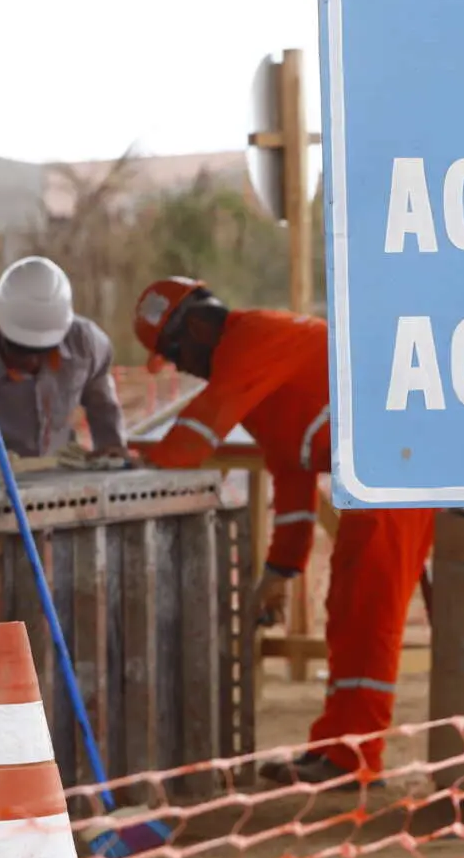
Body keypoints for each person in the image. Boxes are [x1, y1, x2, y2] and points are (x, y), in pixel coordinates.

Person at [129, 276, 434, 785]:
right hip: (382, 471)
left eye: (175, 352)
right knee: (348, 609)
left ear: (199, 326)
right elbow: (291, 475)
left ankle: (354, 759)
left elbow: (200, 429)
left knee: (367, 610)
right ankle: (338, 750)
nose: (181, 367)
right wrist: (279, 570)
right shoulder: (257, 373)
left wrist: (140, 468)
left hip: (399, 465)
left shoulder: (252, 341)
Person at [0, 256, 127, 461]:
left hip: (59, 479)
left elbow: (103, 405)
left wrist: (112, 448)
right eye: (21, 349)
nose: (33, 362)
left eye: (45, 350)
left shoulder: (85, 345)